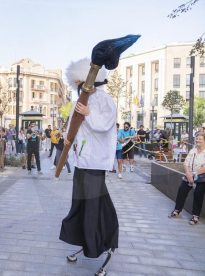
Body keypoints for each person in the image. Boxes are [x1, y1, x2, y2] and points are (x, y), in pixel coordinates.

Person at [60, 58, 118, 276]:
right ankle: (85, 240)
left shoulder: (105, 99)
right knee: (81, 203)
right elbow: (74, 125)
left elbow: (105, 124)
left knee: (94, 204)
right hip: (81, 160)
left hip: (96, 161)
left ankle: (102, 241)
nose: (79, 87)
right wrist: (68, 139)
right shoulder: (81, 100)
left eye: (81, 83)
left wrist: (88, 113)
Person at [168, 132, 205, 225]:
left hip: (203, 177)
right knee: (182, 189)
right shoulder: (192, 151)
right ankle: (177, 210)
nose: (197, 140)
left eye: (200, 139)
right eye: (197, 138)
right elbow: (186, 163)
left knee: (198, 193)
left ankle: (195, 216)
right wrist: (188, 173)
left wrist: (193, 174)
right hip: (190, 175)